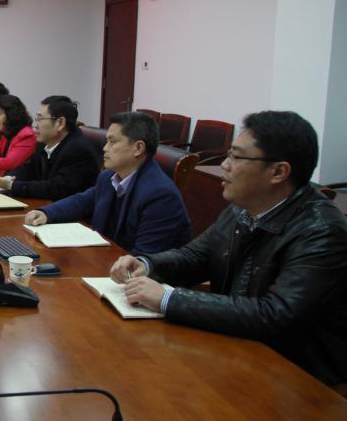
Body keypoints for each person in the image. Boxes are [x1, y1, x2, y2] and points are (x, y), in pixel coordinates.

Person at [112, 111, 347, 387]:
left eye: (236, 157)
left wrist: (169, 299)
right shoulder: (241, 209)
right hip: (239, 348)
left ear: (278, 172)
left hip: (300, 378)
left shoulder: (322, 231)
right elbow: (195, 256)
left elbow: (274, 314)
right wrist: (147, 264)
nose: (224, 164)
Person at [25, 111, 190, 254]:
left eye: (113, 141)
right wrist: (47, 213)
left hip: (141, 274)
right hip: (107, 259)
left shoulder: (160, 195)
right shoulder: (109, 177)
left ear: (138, 148)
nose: (104, 148)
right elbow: (83, 201)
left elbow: (144, 259)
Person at [0, 95, 99, 200]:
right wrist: (8, 178)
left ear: (60, 123)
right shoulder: (44, 143)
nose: (35, 125)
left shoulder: (78, 150)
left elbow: (56, 188)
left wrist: (11, 185)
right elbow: (27, 168)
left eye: (40, 119)